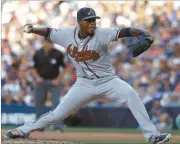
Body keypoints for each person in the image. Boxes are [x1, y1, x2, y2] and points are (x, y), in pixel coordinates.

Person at [5, 7, 171, 144]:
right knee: (57, 114)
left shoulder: (102, 34)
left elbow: (125, 31)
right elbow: (48, 32)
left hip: (108, 81)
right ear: (79, 22)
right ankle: (22, 130)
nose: (93, 23)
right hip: (83, 84)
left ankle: (152, 136)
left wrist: (142, 32)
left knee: (131, 94)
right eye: (89, 20)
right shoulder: (66, 34)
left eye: (94, 20)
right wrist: (33, 29)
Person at [32, 39, 66, 132]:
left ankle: (58, 127)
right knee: (39, 103)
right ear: (44, 43)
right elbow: (33, 68)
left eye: (52, 43)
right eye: (49, 43)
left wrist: (58, 80)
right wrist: (37, 78)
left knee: (56, 103)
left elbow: (64, 68)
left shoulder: (58, 53)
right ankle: (39, 126)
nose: (51, 45)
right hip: (41, 81)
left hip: (54, 82)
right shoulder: (38, 53)